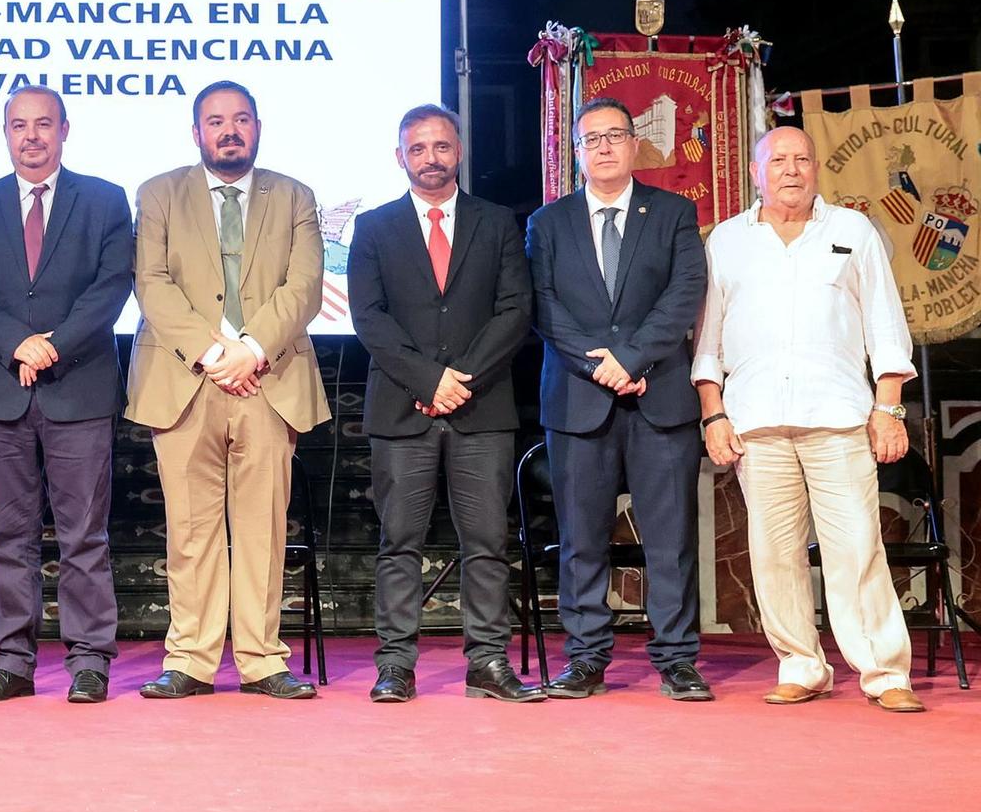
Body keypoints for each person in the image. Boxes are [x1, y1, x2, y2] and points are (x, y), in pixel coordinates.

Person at [693, 126, 925, 712]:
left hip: (839, 416)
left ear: (817, 168)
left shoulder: (853, 230)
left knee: (857, 549)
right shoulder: (727, 241)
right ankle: (800, 664)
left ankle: (884, 673)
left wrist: (888, 408)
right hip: (756, 421)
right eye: (777, 161)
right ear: (756, 173)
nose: (791, 170)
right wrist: (713, 415)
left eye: (802, 159)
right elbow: (707, 340)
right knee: (774, 554)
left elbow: (886, 326)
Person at [126, 80, 328, 700]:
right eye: (216, 121)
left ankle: (263, 659)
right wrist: (216, 354)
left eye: (241, 119)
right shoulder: (159, 193)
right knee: (191, 530)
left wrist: (251, 350)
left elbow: (305, 286)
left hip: (269, 378)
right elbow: (152, 283)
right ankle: (190, 658)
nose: (229, 131)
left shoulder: (294, 196)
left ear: (257, 128)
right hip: (187, 378)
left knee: (263, 529)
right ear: (197, 133)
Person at [347, 103, 541, 703]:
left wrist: (462, 380)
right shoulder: (373, 227)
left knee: (486, 543)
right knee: (399, 543)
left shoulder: (496, 222)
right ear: (399, 157)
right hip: (403, 409)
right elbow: (369, 318)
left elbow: (516, 310)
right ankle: (395, 666)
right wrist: (429, 381)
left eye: (441, 147)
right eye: (418, 148)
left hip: (482, 410)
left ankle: (488, 662)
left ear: (458, 151)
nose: (430, 159)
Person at [0, 87, 134, 705]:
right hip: (1, 389)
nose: (31, 136)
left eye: (43, 124)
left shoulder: (105, 199)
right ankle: (13, 663)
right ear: (5, 133)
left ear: (64, 129)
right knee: (10, 535)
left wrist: (52, 346)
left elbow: (112, 286)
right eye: (19, 125)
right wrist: (17, 345)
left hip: (78, 387)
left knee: (84, 535)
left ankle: (89, 662)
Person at [526, 97, 712, 701]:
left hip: (659, 397)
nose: (604, 147)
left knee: (671, 539)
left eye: (615, 136)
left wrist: (632, 359)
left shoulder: (673, 213)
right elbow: (543, 306)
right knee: (581, 540)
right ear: (576, 153)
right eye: (592, 139)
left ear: (635, 145)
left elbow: (685, 293)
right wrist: (599, 365)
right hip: (579, 400)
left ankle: (677, 659)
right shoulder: (547, 223)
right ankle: (585, 658)